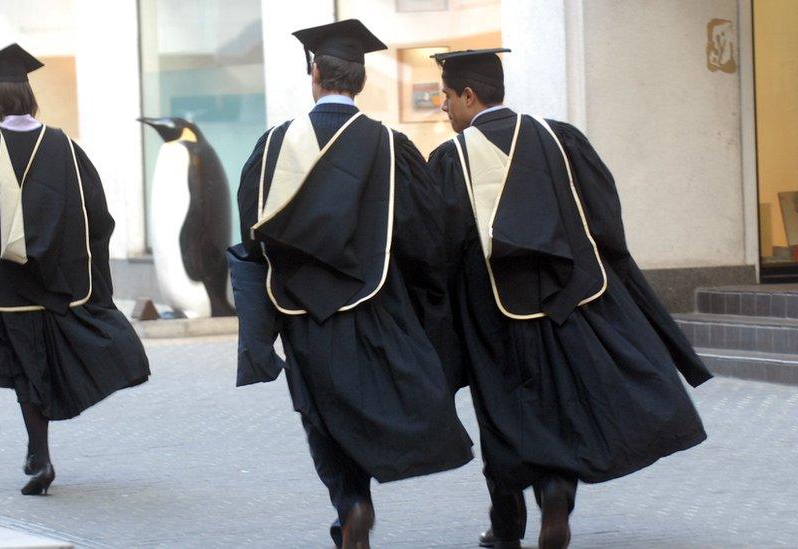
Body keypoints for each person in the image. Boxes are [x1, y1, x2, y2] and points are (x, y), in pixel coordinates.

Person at [427, 49, 712, 549]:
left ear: (469, 95)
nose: (444, 109)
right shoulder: (561, 138)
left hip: (495, 316)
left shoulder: (451, 159)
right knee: (563, 408)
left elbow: (444, 249)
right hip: (572, 305)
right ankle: (556, 497)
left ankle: (507, 527)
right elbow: (604, 221)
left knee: (504, 418)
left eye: (447, 97)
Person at [232, 20, 473, 548]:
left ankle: (351, 502)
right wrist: (422, 303)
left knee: (320, 414)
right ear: (360, 79)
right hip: (374, 305)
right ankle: (360, 503)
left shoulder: (273, 145)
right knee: (367, 402)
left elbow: (252, 230)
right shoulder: (391, 146)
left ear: (315, 72)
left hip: (299, 313)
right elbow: (422, 237)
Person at [0, 44, 150, 496]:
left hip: (5, 284)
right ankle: (39, 449)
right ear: (29, 94)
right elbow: (96, 218)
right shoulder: (65, 147)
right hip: (63, 282)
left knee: (25, 366)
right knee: (59, 353)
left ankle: (38, 453)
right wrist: (89, 274)